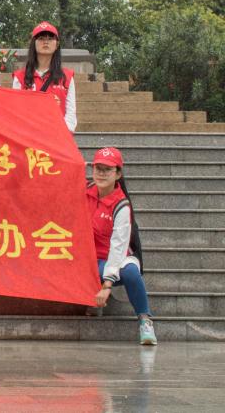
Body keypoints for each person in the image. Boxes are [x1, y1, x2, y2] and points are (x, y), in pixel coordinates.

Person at [87, 147, 156, 345]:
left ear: (118, 174)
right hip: (88, 258)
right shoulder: (84, 191)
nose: (101, 173)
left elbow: (118, 247)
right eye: (98, 168)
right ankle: (90, 299)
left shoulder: (121, 206)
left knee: (131, 272)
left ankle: (145, 320)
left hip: (114, 259)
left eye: (107, 169)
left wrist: (107, 285)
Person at [11, 21, 77, 131]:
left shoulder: (67, 77)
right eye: (41, 38)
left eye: (50, 38)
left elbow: (71, 115)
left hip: (58, 135)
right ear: (33, 43)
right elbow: (17, 112)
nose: (46, 42)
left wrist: (58, 132)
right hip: (30, 136)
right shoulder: (20, 77)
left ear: (57, 44)